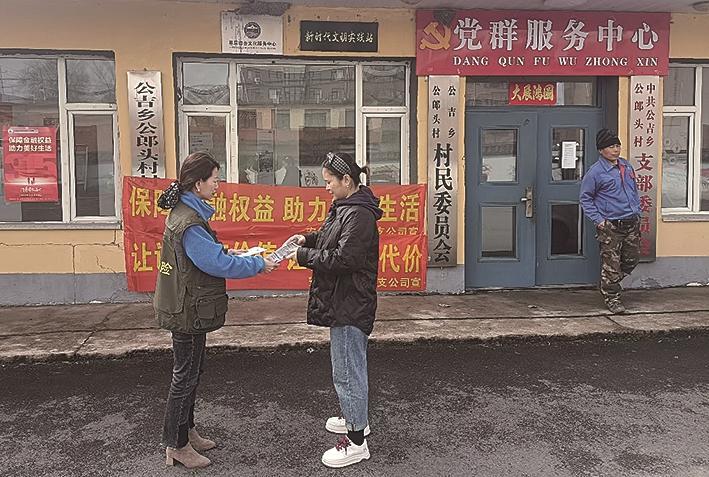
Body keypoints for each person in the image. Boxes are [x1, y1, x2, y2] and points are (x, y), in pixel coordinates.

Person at [154, 151, 277, 469]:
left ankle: (186, 430)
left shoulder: (189, 213)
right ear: (198, 184)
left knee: (192, 373)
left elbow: (209, 254)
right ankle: (176, 444)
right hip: (187, 309)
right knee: (184, 377)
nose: (218, 185)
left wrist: (237, 253)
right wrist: (257, 264)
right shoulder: (189, 221)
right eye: (215, 180)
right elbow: (215, 263)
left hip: (189, 305)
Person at [288, 151, 382, 468]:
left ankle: (356, 443)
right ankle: (355, 419)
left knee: (347, 372)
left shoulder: (359, 214)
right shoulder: (346, 207)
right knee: (345, 369)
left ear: (347, 180)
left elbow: (345, 259)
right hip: (343, 300)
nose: (326, 186)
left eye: (329, 181)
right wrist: (307, 239)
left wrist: (303, 257)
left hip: (350, 302)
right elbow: (330, 239)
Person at [580, 129, 641, 314]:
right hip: (611, 226)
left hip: (631, 222)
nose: (616, 150)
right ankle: (612, 298)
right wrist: (599, 221)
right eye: (611, 146)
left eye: (617, 145)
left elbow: (633, 190)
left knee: (632, 260)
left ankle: (608, 282)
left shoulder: (626, 166)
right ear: (601, 150)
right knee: (611, 265)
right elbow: (585, 198)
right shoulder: (596, 172)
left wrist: (637, 211)